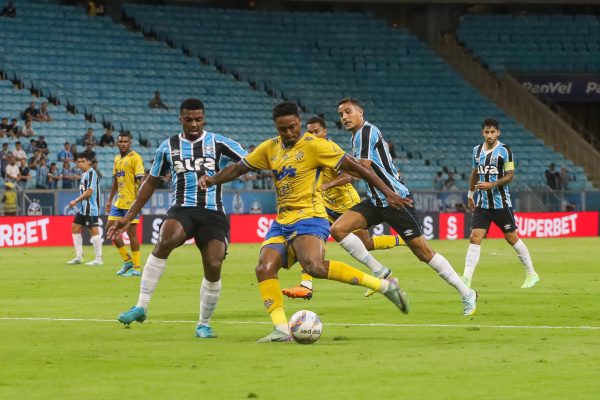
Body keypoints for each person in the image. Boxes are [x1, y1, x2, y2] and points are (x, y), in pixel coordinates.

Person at [200, 101, 412, 343]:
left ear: (299, 123)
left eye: (292, 127)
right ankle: (281, 330)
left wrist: (387, 192)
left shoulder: (315, 146)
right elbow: (239, 168)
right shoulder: (269, 148)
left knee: (313, 266)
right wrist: (212, 180)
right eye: (283, 129)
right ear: (276, 128)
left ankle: (385, 287)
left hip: (311, 216)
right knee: (264, 268)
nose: (288, 133)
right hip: (282, 220)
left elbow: (357, 168)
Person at [108, 98, 247, 339]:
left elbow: (248, 162)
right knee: (166, 239)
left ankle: (203, 323)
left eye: (198, 119)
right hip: (182, 208)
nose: (194, 124)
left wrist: (218, 178)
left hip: (214, 212)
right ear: (180, 119)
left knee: (214, 264)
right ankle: (141, 306)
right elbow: (151, 182)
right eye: (189, 119)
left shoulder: (219, 143)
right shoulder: (168, 146)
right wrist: (130, 216)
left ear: (204, 119)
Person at [331, 98, 477, 316]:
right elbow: (361, 170)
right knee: (338, 229)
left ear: (360, 112)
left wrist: (330, 167)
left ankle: (466, 293)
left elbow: (362, 169)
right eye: (341, 114)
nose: (344, 117)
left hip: (396, 200)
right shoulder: (358, 137)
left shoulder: (365, 132)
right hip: (376, 201)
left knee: (424, 253)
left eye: (348, 112)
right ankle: (382, 272)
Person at [282, 116, 406, 300]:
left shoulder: (332, 151)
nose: (313, 135)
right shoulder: (308, 150)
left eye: (317, 131)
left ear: (325, 132)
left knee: (366, 244)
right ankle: (306, 285)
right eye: (309, 132)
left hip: (346, 202)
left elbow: (351, 176)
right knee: (312, 240)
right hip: (324, 206)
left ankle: (403, 242)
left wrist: (327, 185)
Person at [463, 118, 540, 289]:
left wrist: (492, 184)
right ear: (482, 133)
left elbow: (510, 175)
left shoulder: (505, 151)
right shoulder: (476, 151)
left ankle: (531, 273)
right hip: (482, 204)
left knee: (511, 238)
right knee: (475, 237)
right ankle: (466, 278)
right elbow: (475, 173)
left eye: (493, 132)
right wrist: (470, 194)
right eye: (486, 132)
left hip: (501, 204)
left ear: (498, 132)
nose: (489, 135)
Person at [105, 132, 145, 277]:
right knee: (110, 229)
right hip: (119, 201)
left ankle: (137, 267)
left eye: (125, 141)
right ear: (117, 143)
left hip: (131, 203)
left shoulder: (135, 158)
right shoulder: (117, 159)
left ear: (130, 143)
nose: (122, 144)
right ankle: (127, 261)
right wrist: (110, 200)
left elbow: (141, 180)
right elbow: (115, 181)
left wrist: (139, 201)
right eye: (120, 141)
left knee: (132, 234)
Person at [66, 154, 103, 266]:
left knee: (93, 231)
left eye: (83, 161)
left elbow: (90, 191)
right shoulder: (84, 174)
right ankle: (79, 256)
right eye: (79, 161)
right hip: (83, 208)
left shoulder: (92, 173)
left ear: (89, 162)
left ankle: (99, 259)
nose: (80, 163)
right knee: (75, 227)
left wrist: (75, 201)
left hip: (90, 208)